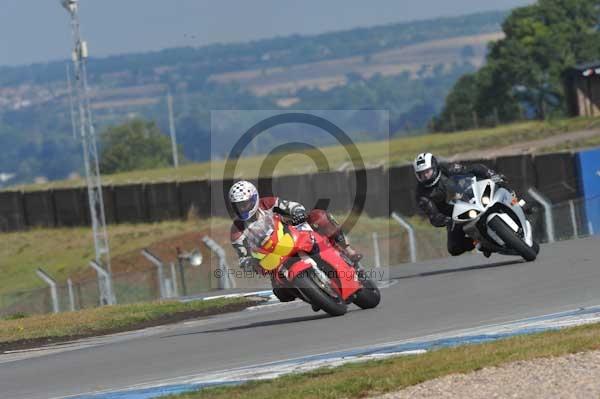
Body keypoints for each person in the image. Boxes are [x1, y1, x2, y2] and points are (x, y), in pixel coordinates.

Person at [228, 180, 362, 302]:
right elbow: (243, 256)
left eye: (245, 204)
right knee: (282, 294)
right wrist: (249, 262)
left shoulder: (267, 203)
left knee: (319, 216)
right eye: (238, 206)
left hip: (291, 234)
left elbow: (292, 206)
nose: (243, 208)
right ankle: (312, 296)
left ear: (254, 199)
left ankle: (347, 250)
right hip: (274, 259)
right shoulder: (237, 231)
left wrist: (297, 212)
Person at [413, 152, 507, 257]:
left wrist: (492, 175)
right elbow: (433, 216)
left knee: (499, 183)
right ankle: (480, 243)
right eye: (422, 174)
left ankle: (518, 202)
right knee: (454, 248)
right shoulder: (421, 195)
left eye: (427, 171)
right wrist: (447, 220)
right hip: (455, 216)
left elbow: (474, 168)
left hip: (471, 197)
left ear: (434, 167)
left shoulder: (447, 168)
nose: (425, 176)